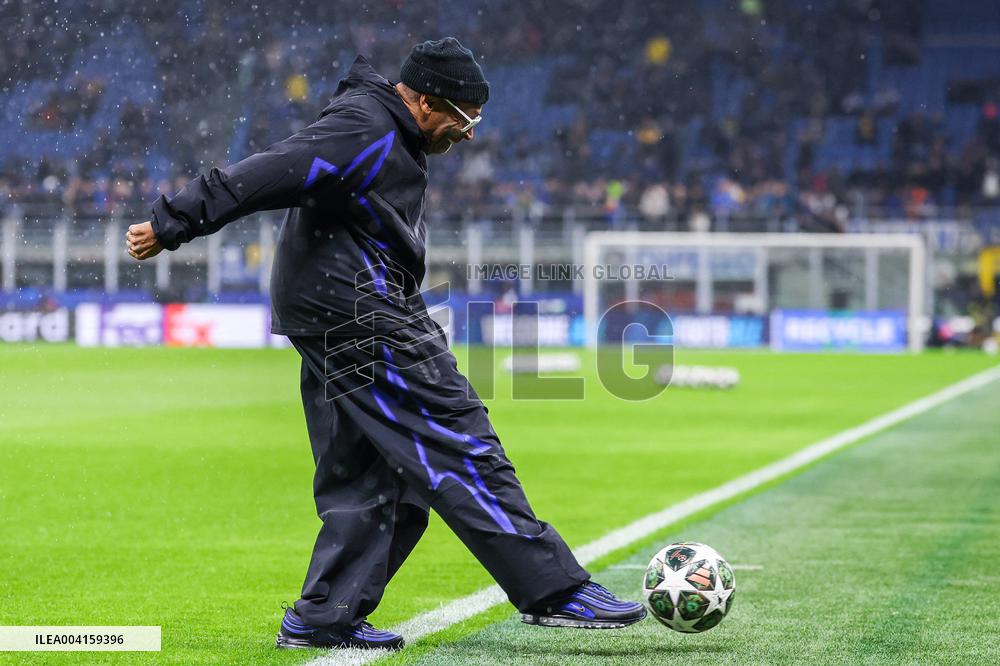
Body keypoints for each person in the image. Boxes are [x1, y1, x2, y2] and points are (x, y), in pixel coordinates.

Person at [125, 37, 645, 651]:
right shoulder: (364, 127)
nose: (468, 133)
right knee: (457, 434)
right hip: (354, 309)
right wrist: (176, 220)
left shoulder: (382, 130)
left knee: (372, 473)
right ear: (423, 102)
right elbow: (270, 171)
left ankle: (323, 617)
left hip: (329, 309)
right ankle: (554, 589)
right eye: (463, 118)